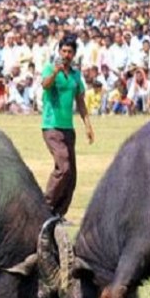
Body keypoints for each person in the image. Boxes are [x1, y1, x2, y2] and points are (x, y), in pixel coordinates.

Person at [40, 35, 95, 216]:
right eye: (63, 51)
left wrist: (87, 125)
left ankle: (59, 214)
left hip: (68, 128)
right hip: (51, 125)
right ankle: (44, 207)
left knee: (71, 176)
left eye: (70, 52)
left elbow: (80, 101)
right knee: (63, 167)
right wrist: (55, 72)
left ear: (74, 54)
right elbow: (45, 85)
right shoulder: (50, 68)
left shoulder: (75, 75)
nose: (66, 55)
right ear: (59, 51)